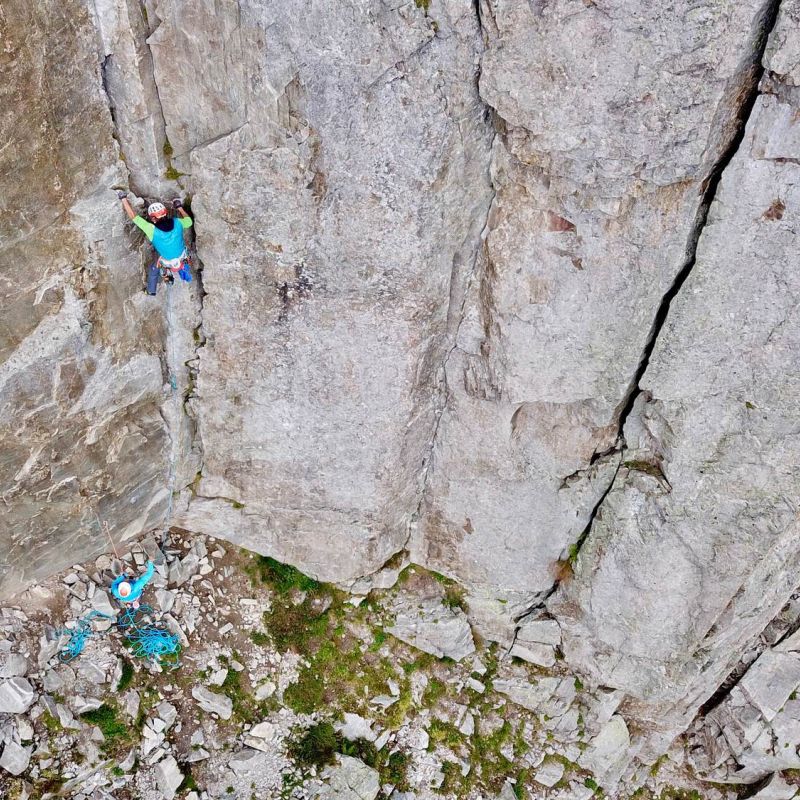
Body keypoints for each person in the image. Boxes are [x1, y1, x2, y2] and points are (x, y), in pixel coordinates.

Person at [117, 191, 193, 295]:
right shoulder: (178, 222)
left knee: (153, 269)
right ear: (165, 212)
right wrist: (179, 207)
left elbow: (133, 216)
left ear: (153, 218)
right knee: (171, 254)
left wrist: (124, 199)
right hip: (182, 255)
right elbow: (189, 222)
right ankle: (179, 271)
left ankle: (151, 291)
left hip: (167, 259)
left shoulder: (151, 229)